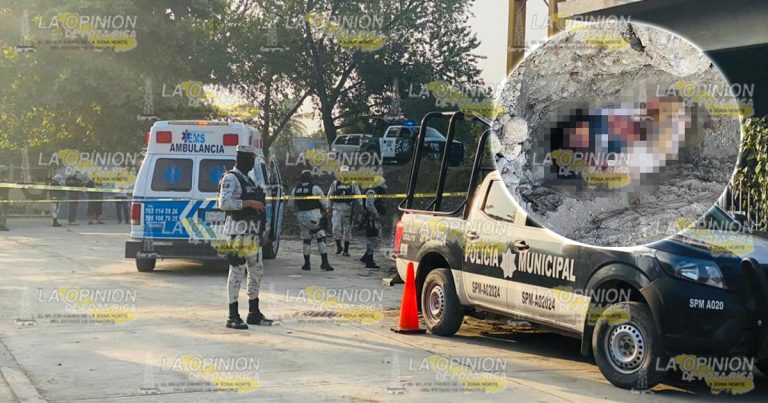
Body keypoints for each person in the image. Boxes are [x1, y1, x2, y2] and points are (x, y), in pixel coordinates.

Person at [218, 145, 273, 329]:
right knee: (236, 273)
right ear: (242, 158)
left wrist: (262, 233)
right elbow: (224, 203)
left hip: (252, 234)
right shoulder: (231, 178)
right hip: (237, 234)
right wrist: (248, 202)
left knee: (256, 271)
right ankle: (232, 315)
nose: (252, 161)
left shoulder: (249, 180)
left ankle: (253, 312)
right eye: (251, 157)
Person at [289, 170, 334, 271]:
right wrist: (327, 211)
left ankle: (306, 264)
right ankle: (325, 263)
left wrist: (298, 213)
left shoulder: (295, 189)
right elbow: (324, 203)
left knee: (306, 240)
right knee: (321, 237)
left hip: (301, 216)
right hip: (314, 216)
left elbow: (290, 205)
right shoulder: (315, 188)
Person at [327, 165, 361, 256]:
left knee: (347, 230)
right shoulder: (335, 183)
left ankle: (346, 250)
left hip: (349, 210)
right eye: (342, 173)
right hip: (337, 209)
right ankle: (339, 246)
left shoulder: (353, 184)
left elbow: (359, 196)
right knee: (335, 228)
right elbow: (329, 196)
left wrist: (361, 207)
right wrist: (328, 207)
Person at [361, 176, 387, 269]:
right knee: (373, 239)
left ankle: (366, 257)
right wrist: (377, 216)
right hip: (371, 219)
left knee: (375, 239)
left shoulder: (376, 192)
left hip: (374, 218)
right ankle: (369, 260)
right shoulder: (371, 192)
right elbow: (370, 206)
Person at [0, 165, 9, 231]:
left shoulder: (4, 179)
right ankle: (1, 225)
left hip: (4, 197)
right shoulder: (2, 179)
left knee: (3, 211)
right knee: (3, 211)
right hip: (2, 197)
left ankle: (2, 224)